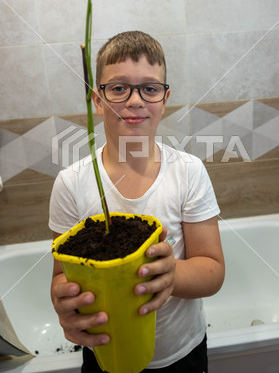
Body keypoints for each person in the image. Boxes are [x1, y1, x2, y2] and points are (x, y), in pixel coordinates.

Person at [49, 30, 225, 373]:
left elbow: (213, 270)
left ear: (164, 98)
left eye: (149, 88)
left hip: (181, 354)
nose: (134, 100)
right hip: (104, 350)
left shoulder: (188, 172)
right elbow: (60, 274)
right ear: (97, 100)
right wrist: (63, 300)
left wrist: (172, 274)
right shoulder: (71, 183)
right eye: (118, 88)